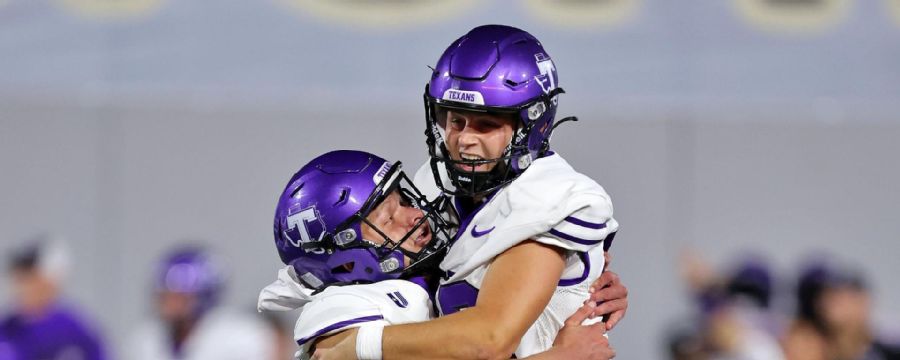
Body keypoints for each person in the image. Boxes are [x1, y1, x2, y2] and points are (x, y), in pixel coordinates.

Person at [315, 24, 626, 359]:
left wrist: (359, 346)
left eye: (486, 124)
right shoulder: (432, 188)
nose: (464, 140)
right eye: (455, 120)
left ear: (533, 123)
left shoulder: (549, 197)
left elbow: (488, 340)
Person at [257, 150, 616, 360]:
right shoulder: (342, 312)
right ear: (347, 262)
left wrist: (571, 288)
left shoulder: (424, 273)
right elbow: (484, 338)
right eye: (387, 219)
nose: (413, 216)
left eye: (403, 201)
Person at [130, 246, 274, 360]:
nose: (167, 303)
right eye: (163, 295)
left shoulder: (241, 336)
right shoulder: (146, 340)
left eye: (177, 296)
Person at [0, 238, 109, 360]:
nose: (22, 286)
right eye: (19, 279)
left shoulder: (71, 328)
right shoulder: (7, 329)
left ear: (50, 283)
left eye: (30, 278)